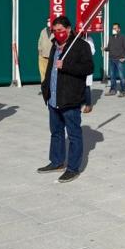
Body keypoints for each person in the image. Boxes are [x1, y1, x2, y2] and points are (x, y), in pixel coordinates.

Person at [38, 16, 94, 183]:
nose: (58, 33)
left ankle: (73, 168)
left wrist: (67, 66)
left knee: (74, 135)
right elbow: (50, 69)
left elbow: (88, 68)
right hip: (54, 98)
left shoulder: (80, 46)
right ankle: (56, 162)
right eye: (55, 31)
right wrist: (45, 89)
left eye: (61, 30)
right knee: (56, 132)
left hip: (70, 98)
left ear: (69, 29)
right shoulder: (55, 46)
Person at [104, 22, 125, 97]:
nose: (113, 29)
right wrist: (105, 49)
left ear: (119, 29)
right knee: (112, 76)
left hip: (119, 60)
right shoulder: (111, 37)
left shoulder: (123, 37)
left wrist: (124, 57)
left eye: (115, 28)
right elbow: (109, 47)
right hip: (111, 59)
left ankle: (123, 91)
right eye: (113, 28)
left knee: (121, 76)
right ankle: (113, 90)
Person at [83, 32, 95, 113]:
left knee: (86, 86)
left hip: (86, 65)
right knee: (79, 86)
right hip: (77, 65)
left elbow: (93, 51)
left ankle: (88, 105)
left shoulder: (89, 39)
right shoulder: (76, 39)